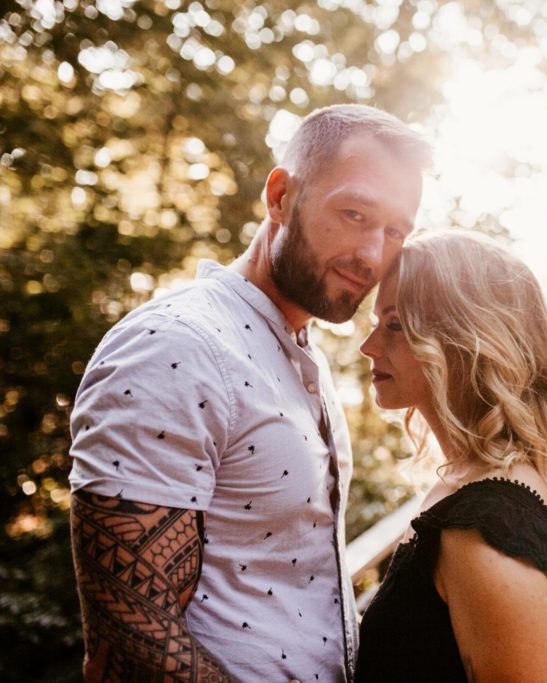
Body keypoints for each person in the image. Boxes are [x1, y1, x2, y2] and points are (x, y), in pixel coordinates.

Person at [67, 104, 431, 682]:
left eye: (394, 232)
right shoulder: (175, 347)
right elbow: (130, 642)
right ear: (281, 196)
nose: (372, 255)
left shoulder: (301, 355)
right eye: (354, 213)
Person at [355, 231, 547, 683]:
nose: (367, 346)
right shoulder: (467, 484)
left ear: (466, 340)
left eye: (395, 325)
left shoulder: (486, 527)